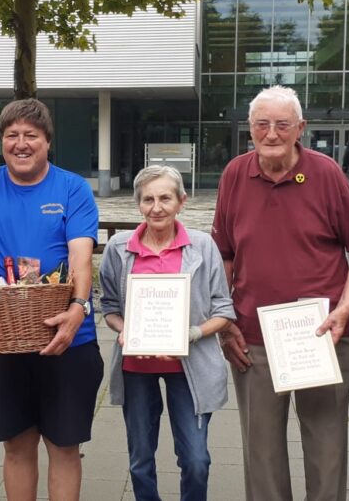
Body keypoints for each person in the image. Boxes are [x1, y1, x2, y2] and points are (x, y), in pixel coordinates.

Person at [211, 85, 349, 500]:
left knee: (326, 446)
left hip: (324, 333)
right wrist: (224, 319)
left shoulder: (324, 173)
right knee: (261, 451)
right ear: (249, 129)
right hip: (254, 336)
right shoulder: (235, 174)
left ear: (300, 128)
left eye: (282, 125)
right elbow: (223, 256)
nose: (271, 133)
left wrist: (344, 309)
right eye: (261, 124)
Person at [0, 98, 103, 501]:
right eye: (12, 136)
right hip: (4, 336)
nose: (21, 144)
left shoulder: (72, 187)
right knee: (17, 445)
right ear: (1, 141)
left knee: (64, 446)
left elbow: (80, 255)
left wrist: (77, 308)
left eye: (31, 136)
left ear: (47, 142)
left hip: (68, 340)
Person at [99, 165, 235, 501]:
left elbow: (224, 310)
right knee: (140, 461)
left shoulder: (203, 246)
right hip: (137, 367)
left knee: (196, 460)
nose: (156, 207)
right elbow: (110, 309)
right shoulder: (119, 247)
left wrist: (189, 333)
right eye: (148, 199)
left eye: (164, 198)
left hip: (190, 369)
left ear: (181, 201)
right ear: (138, 204)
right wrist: (126, 330)